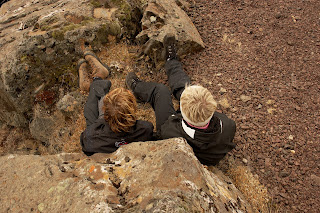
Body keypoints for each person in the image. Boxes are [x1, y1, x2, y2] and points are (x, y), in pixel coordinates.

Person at [125, 34, 236, 165]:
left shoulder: (169, 133)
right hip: (201, 144)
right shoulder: (229, 125)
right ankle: (171, 61)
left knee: (161, 90)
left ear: (181, 111)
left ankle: (137, 88)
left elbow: (164, 134)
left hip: (183, 145)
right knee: (185, 90)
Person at [79, 49, 154, 155]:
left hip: (103, 137)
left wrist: (100, 122)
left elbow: (85, 145)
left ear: (104, 113)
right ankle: (96, 80)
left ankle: (96, 81)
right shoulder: (145, 129)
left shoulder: (90, 138)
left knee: (91, 107)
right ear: (133, 111)